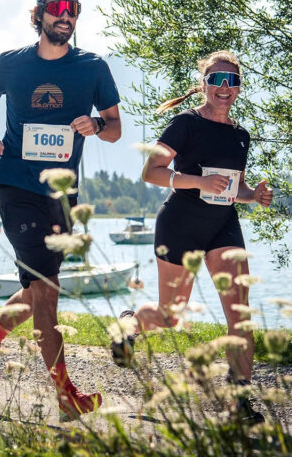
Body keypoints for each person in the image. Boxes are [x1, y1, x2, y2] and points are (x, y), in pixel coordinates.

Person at [0, 0, 122, 419]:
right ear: (38, 14)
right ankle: (65, 396)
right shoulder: (11, 64)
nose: (65, 15)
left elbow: (115, 129)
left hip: (62, 195)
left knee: (35, 292)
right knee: (48, 293)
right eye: (56, 7)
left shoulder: (93, 67)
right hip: (17, 187)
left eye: (72, 8)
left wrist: (97, 125)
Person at [112, 50, 272, 421]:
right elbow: (151, 171)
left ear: (239, 88)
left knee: (240, 315)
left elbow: (234, 187)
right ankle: (130, 324)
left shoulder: (241, 135)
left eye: (232, 81)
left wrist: (254, 195)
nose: (225, 87)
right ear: (203, 84)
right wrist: (198, 181)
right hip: (180, 223)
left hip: (223, 226)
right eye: (217, 79)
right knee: (170, 316)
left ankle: (239, 402)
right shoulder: (185, 123)